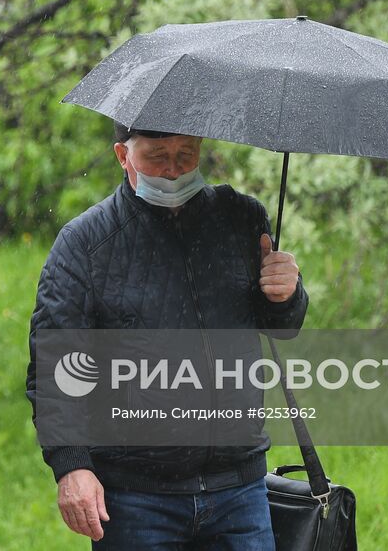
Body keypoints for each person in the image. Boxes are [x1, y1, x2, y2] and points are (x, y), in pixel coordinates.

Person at [27, 124, 308, 550]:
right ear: (123, 156)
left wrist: (286, 294)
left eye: (186, 153)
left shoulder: (242, 218)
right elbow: (54, 368)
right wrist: (71, 466)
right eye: (157, 156)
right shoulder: (86, 244)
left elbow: (281, 326)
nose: (174, 171)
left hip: (239, 488)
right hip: (136, 497)